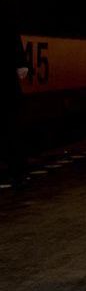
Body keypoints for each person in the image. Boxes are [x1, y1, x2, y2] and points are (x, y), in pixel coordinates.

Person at [0, 13, 29, 186]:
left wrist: (21, 62)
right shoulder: (7, 19)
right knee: (11, 126)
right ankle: (17, 171)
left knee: (11, 127)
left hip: (6, 83)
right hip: (7, 83)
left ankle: (17, 170)